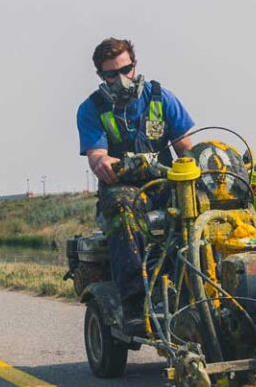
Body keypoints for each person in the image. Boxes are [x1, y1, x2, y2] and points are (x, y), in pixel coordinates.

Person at [76, 37, 195, 317]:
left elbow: (188, 149)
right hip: (123, 189)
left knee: (202, 205)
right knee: (122, 208)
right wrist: (104, 163)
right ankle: (134, 301)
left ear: (134, 65)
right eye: (111, 74)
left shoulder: (161, 98)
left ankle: (208, 285)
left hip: (165, 183)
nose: (121, 79)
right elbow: (97, 156)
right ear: (101, 76)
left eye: (125, 70)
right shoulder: (91, 109)